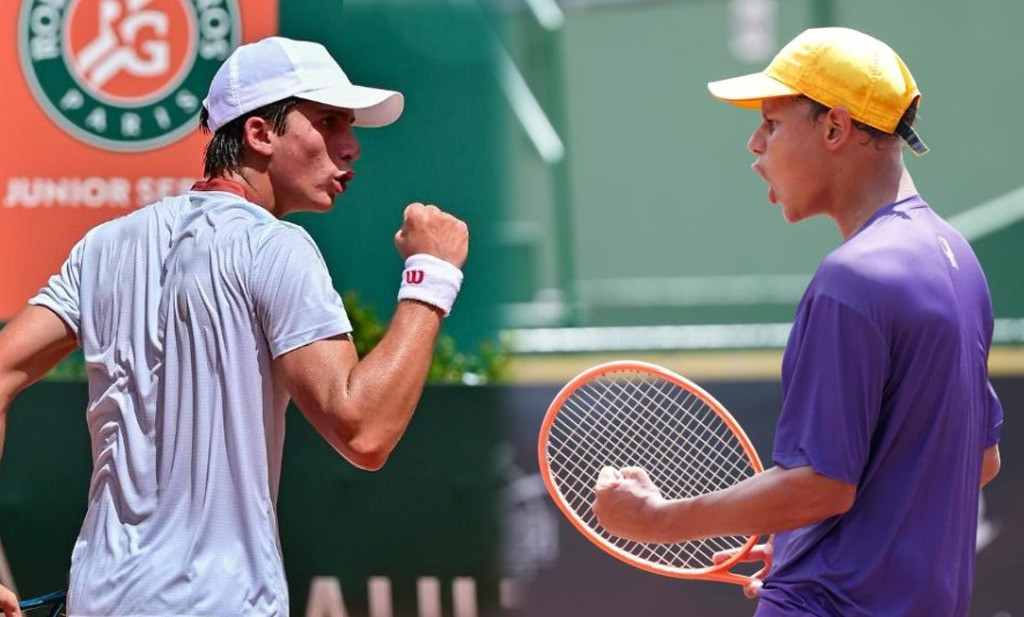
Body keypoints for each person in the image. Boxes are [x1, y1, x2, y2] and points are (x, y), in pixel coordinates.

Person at [0, 36, 468, 617]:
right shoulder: (278, 247)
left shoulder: (103, 246)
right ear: (259, 133)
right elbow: (364, 433)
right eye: (329, 122)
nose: (351, 148)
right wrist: (431, 276)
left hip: (103, 599)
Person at [592, 27, 1003, 617]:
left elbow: (820, 485)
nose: (755, 144)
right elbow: (979, 461)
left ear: (835, 128)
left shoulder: (852, 278)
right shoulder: (957, 257)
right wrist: (816, 549)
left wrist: (656, 520)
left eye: (772, 123)